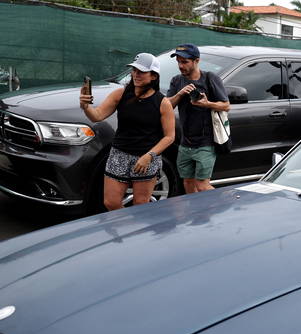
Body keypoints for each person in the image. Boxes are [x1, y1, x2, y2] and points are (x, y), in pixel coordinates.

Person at [79, 53, 175, 211]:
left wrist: (149, 156)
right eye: (134, 70)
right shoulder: (120, 94)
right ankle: (126, 228)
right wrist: (85, 106)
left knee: (141, 205)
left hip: (146, 158)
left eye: (141, 71)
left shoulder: (162, 102)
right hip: (119, 154)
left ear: (153, 76)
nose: (136, 74)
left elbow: (170, 137)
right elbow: (97, 116)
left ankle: (135, 232)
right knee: (111, 202)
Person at [166, 43, 230, 193]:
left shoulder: (210, 78)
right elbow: (167, 105)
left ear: (196, 61)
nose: (181, 66)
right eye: (178, 62)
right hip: (185, 143)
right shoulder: (177, 80)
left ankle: (223, 206)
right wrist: (180, 94)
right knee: (188, 182)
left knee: (202, 185)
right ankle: (195, 214)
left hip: (205, 143)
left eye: (185, 62)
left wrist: (207, 104)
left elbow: (226, 105)